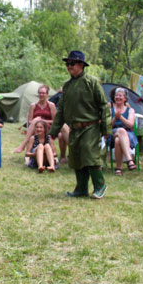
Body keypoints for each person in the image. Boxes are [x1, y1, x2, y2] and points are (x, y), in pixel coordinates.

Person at [50, 50, 110, 199]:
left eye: (72, 63)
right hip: (75, 128)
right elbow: (61, 110)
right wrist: (53, 131)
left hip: (91, 126)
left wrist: (106, 128)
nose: (69, 66)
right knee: (76, 157)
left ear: (81, 65)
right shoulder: (67, 86)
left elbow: (104, 105)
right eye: (67, 64)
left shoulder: (92, 82)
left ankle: (100, 185)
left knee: (89, 155)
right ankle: (81, 189)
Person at [13, 84, 56, 153]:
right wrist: (37, 121)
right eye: (39, 93)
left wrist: (42, 121)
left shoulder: (51, 105)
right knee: (35, 121)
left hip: (47, 127)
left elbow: (55, 121)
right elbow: (29, 121)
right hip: (36, 127)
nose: (41, 94)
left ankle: (23, 146)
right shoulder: (33, 105)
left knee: (36, 121)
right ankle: (32, 152)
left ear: (47, 94)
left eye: (43, 93)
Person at [108, 87, 137, 175]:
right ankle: (129, 160)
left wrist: (120, 117)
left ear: (125, 98)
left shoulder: (130, 110)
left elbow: (130, 124)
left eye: (120, 95)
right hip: (112, 133)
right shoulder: (110, 109)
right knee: (120, 131)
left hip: (128, 134)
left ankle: (118, 168)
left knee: (118, 140)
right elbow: (108, 126)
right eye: (116, 95)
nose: (118, 97)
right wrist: (115, 118)